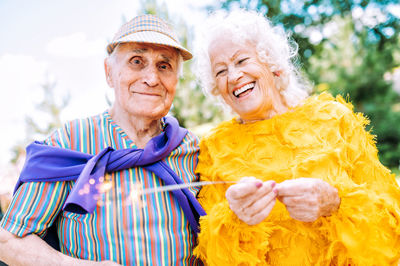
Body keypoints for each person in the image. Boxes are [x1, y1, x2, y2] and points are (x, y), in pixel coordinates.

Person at [193, 9, 400, 265]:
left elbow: (392, 227)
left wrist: (335, 203)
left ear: (271, 64)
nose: (233, 77)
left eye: (242, 61)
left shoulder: (334, 119)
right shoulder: (214, 148)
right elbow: (211, 254)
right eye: (220, 71)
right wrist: (235, 218)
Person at [0, 14, 205, 265]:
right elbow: (9, 240)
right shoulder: (69, 142)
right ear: (109, 72)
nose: (152, 78)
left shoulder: (193, 149)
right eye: (137, 61)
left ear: (175, 80)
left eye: (164, 66)